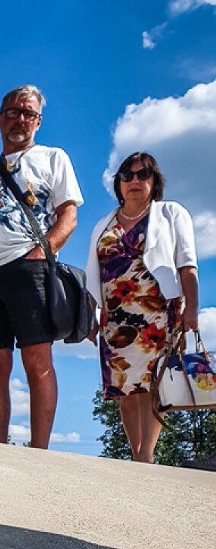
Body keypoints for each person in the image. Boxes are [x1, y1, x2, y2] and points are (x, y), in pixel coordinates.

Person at [0, 85, 83, 449]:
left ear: (38, 121)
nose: (20, 119)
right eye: (13, 112)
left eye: (28, 113)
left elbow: (68, 215)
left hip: (29, 269)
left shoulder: (52, 158)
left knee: (37, 360)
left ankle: (39, 452)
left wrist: (41, 251)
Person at [85, 152, 199, 464]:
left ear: (155, 181)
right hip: (115, 316)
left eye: (143, 174)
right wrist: (89, 316)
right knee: (124, 388)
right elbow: (95, 273)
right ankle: (135, 453)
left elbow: (187, 265)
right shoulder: (103, 225)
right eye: (128, 175)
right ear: (119, 183)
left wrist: (192, 310)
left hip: (158, 313)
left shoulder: (171, 214)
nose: (135, 181)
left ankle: (145, 456)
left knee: (153, 383)